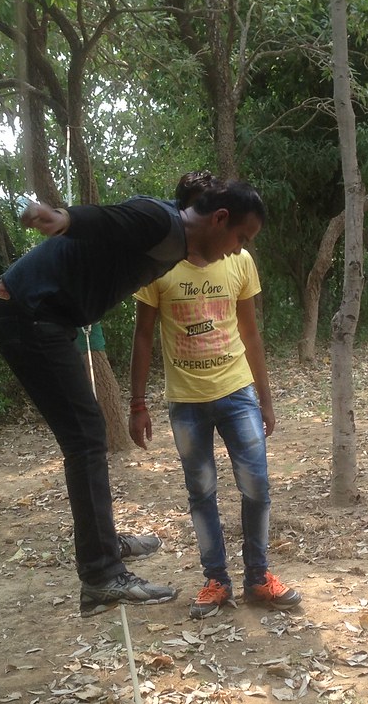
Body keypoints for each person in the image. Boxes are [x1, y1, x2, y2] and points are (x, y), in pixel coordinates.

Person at [0, 181, 267, 617]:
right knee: (86, 437)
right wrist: (65, 219)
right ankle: (101, 575)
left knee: (89, 435)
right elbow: (115, 217)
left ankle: (104, 545)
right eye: (240, 238)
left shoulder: (180, 238)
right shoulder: (162, 221)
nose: (238, 250)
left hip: (49, 318)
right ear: (219, 219)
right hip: (29, 313)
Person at [129, 172, 302, 619]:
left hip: (237, 391)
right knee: (201, 491)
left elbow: (250, 331)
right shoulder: (160, 264)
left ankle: (259, 577)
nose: (239, 244)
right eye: (238, 234)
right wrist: (137, 402)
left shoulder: (239, 262)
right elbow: (143, 336)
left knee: (257, 486)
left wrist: (265, 398)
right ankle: (216, 581)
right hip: (185, 403)